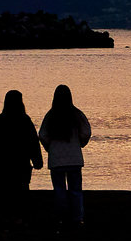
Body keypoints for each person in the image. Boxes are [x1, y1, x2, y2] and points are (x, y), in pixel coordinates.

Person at [38, 84, 91, 227]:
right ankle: (77, 218)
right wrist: (80, 143)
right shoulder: (76, 114)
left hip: (56, 159)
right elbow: (86, 132)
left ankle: (61, 217)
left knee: (59, 190)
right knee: (75, 190)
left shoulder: (51, 115)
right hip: (74, 158)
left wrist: (49, 147)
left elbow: (42, 135)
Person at [0, 89, 43, 225]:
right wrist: (37, 160)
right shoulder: (24, 119)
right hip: (21, 163)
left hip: (4, 163)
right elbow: (33, 141)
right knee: (21, 190)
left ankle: (7, 217)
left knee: (6, 191)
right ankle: (19, 217)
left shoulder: (0, 120)